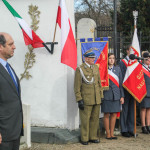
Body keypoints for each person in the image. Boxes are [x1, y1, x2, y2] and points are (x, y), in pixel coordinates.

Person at [74, 50, 103, 145]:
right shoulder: (80, 69)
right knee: (85, 119)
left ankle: (93, 137)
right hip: (86, 98)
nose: (93, 59)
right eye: (91, 58)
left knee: (95, 119)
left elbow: (98, 83)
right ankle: (84, 138)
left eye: (94, 58)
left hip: (96, 98)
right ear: (86, 58)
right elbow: (77, 86)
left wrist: (101, 95)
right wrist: (79, 99)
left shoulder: (95, 67)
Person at [0, 32, 23, 150]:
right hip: (3, 134)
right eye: (10, 44)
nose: (14, 47)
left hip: (14, 130)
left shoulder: (8, 67)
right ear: (0, 46)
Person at [101, 53, 124, 140]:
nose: (111, 60)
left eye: (113, 58)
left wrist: (122, 96)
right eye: (110, 58)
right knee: (106, 114)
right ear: (107, 59)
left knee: (114, 114)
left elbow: (120, 84)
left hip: (116, 95)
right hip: (106, 94)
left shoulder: (118, 69)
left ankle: (112, 133)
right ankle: (107, 133)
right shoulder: (103, 69)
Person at [119, 45, 135, 137]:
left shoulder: (135, 62)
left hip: (133, 89)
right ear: (127, 51)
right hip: (125, 88)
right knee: (125, 109)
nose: (132, 52)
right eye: (130, 50)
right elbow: (121, 77)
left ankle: (130, 128)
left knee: (131, 109)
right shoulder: (122, 62)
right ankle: (124, 129)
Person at [140, 51, 150, 134]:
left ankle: (148, 125)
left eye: (149, 58)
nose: (148, 60)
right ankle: (143, 126)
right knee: (143, 108)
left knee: (149, 109)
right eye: (147, 58)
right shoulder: (141, 68)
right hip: (144, 91)